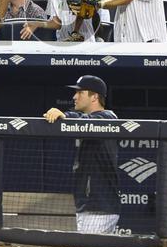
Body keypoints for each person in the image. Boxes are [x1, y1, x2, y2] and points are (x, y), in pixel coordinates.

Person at [42, 75, 120, 233]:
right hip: (88, 204)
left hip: (100, 205)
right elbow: (82, 119)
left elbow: (86, 121)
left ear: (95, 97)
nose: (74, 96)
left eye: (80, 92)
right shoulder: (86, 119)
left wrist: (65, 115)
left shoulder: (108, 118)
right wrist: (67, 116)